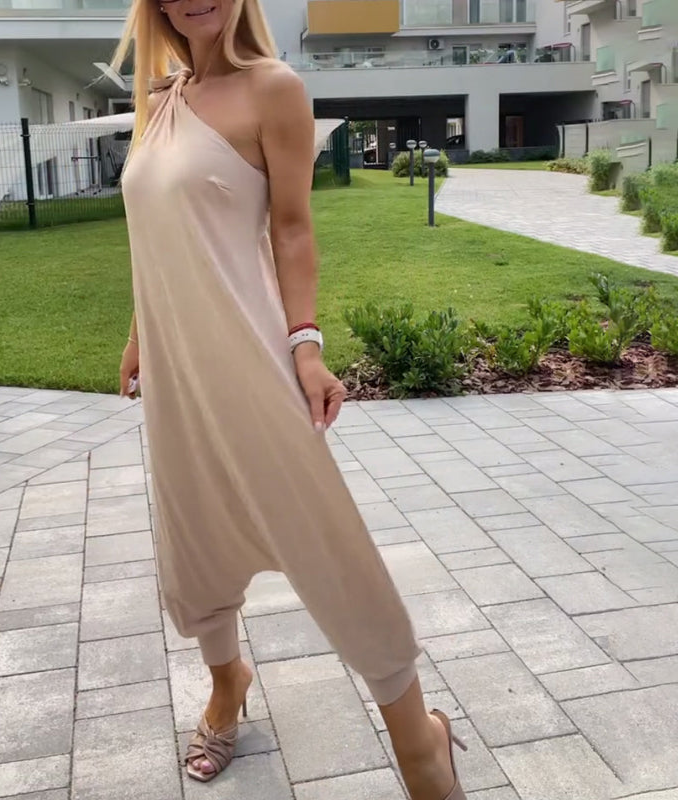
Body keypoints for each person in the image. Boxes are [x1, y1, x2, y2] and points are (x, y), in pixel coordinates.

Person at [113, 1, 467, 797]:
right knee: (195, 534)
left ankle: (419, 742)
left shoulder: (274, 88)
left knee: (324, 540)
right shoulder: (160, 99)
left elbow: (293, 228)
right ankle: (226, 684)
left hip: (250, 353)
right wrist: (140, 333)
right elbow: (155, 236)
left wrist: (305, 345)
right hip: (176, 368)